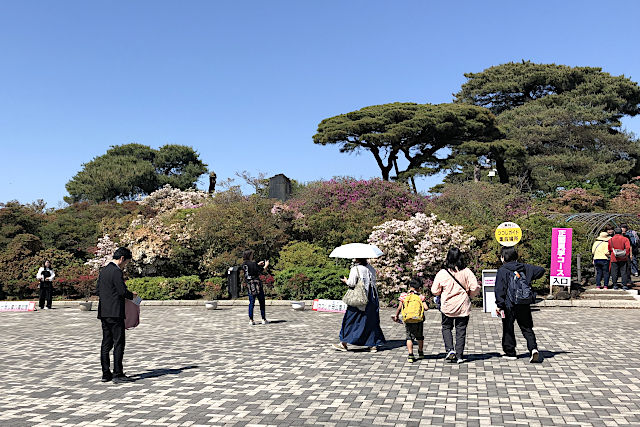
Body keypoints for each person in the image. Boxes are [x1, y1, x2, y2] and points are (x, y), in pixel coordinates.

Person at [495, 246, 545, 363]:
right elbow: (541, 270)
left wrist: (499, 304)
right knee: (527, 327)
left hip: (509, 304)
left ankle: (510, 352)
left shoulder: (503, 270)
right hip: (524, 302)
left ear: (503, 257)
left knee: (508, 327)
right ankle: (533, 349)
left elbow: (500, 289)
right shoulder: (525, 267)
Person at [431, 248, 480, 364]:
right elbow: (475, 287)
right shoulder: (467, 272)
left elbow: (434, 290)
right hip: (463, 305)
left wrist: (442, 292)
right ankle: (459, 355)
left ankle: (449, 349)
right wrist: (469, 295)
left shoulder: (442, 273)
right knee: (461, 330)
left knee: (446, 328)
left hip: (448, 306)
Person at [96, 247, 136, 383]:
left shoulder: (104, 271)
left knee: (106, 343)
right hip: (115, 312)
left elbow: (98, 289)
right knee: (119, 342)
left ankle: (105, 373)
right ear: (122, 259)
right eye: (126, 263)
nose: (125, 266)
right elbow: (122, 291)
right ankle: (118, 373)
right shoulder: (116, 271)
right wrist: (134, 297)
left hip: (104, 312)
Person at [333, 258, 386, 352]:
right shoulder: (371, 268)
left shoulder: (355, 269)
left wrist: (345, 280)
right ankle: (372, 345)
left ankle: (343, 343)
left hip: (359, 299)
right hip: (372, 298)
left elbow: (351, 283)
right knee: (371, 321)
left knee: (351, 319)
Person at [393, 279, 429, 363]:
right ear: (419, 288)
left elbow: (399, 307)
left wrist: (396, 315)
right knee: (419, 336)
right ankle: (420, 352)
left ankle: (410, 355)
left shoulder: (404, 296)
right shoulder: (420, 296)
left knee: (409, 337)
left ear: (410, 286)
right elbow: (426, 308)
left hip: (408, 320)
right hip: (418, 320)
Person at [241, 249, 269, 325]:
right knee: (261, 301)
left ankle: (251, 320)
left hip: (249, 284)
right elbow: (260, 271)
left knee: (251, 302)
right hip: (257, 284)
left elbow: (251, 269)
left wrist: (257, 264)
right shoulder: (253, 264)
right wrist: (265, 265)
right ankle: (263, 319)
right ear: (249, 255)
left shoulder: (243, 264)